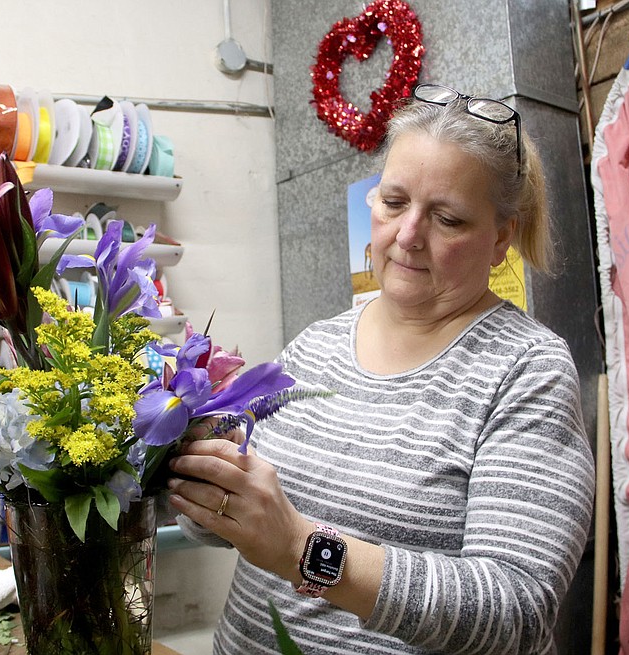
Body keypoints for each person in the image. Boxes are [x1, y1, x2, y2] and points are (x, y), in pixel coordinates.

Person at [166, 83, 595, 654]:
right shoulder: (316, 347)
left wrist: (301, 547)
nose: (408, 236)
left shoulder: (525, 371)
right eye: (394, 202)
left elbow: (517, 610)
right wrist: (188, 469)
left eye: (447, 218)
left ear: (500, 238)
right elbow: (234, 522)